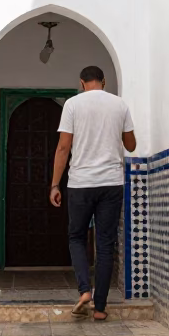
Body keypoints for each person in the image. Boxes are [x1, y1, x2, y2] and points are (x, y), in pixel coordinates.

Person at [49, 66, 136, 320]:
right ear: (104, 81)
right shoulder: (119, 105)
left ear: (82, 82)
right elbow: (131, 145)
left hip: (81, 183)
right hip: (111, 182)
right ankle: (100, 308)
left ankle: (85, 290)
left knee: (77, 237)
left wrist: (55, 184)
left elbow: (63, 147)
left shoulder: (72, 105)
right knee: (105, 243)